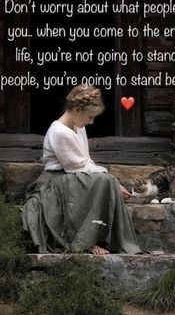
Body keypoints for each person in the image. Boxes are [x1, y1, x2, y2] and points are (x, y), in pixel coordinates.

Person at [22, 85, 141, 255]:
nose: (91, 121)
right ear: (77, 110)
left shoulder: (78, 127)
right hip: (55, 183)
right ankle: (85, 242)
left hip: (72, 176)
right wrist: (113, 182)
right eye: (90, 116)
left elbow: (86, 161)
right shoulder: (60, 132)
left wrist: (113, 182)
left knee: (105, 180)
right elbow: (77, 167)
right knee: (104, 180)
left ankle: (101, 239)